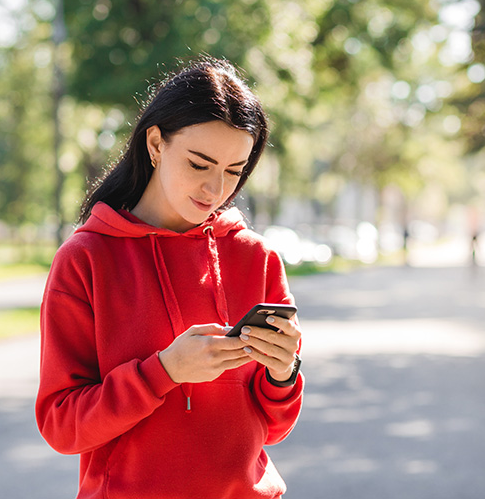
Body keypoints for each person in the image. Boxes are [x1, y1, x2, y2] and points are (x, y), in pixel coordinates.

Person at [35, 58, 304, 499]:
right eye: (200, 164)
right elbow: (62, 426)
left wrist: (283, 373)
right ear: (156, 144)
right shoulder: (85, 259)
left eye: (234, 171)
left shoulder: (258, 258)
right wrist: (163, 372)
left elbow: (273, 427)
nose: (215, 190)